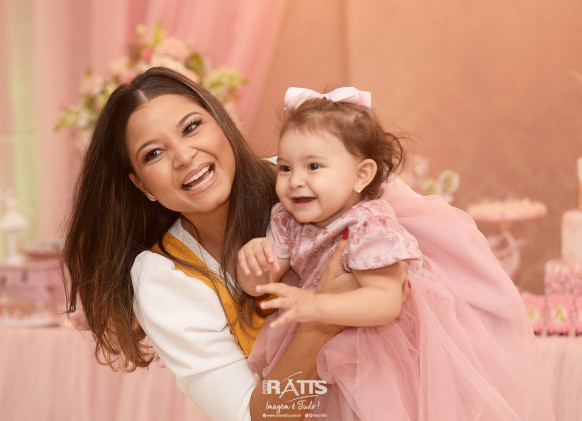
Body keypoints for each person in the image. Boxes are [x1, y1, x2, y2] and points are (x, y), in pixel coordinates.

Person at [62, 67, 378, 421]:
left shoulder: (308, 179)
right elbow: (250, 417)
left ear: (222, 121)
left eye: (191, 127)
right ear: (142, 186)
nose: (184, 156)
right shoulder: (165, 279)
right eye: (154, 153)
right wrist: (322, 320)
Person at [237, 87, 556, 420]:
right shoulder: (286, 219)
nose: (295, 181)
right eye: (285, 168)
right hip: (321, 350)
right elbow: (260, 283)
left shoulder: (369, 223)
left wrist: (318, 306)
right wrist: (254, 260)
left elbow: (386, 301)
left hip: (376, 350)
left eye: (313, 166)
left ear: (361, 175)